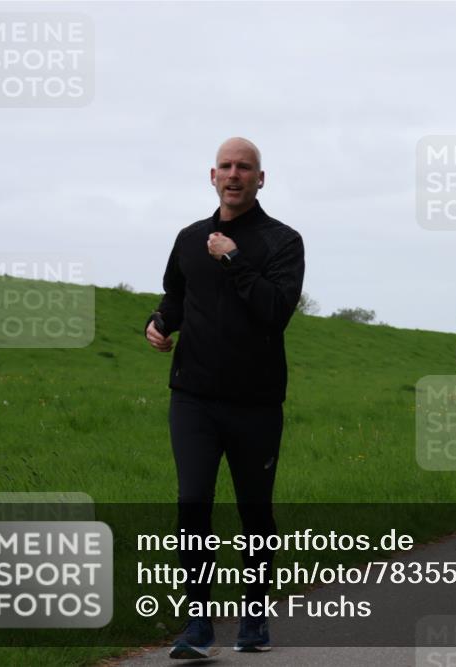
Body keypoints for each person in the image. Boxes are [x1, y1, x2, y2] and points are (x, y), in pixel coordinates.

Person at [145, 137, 305, 658]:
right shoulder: (191, 238)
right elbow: (178, 294)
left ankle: (254, 618)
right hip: (192, 396)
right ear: (212, 176)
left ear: (261, 179)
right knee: (193, 505)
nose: (234, 174)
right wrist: (160, 321)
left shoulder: (283, 241)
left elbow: (275, 311)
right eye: (226, 166)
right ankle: (197, 626)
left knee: (254, 512)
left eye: (245, 168)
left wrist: (234, 259)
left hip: (256, 401)